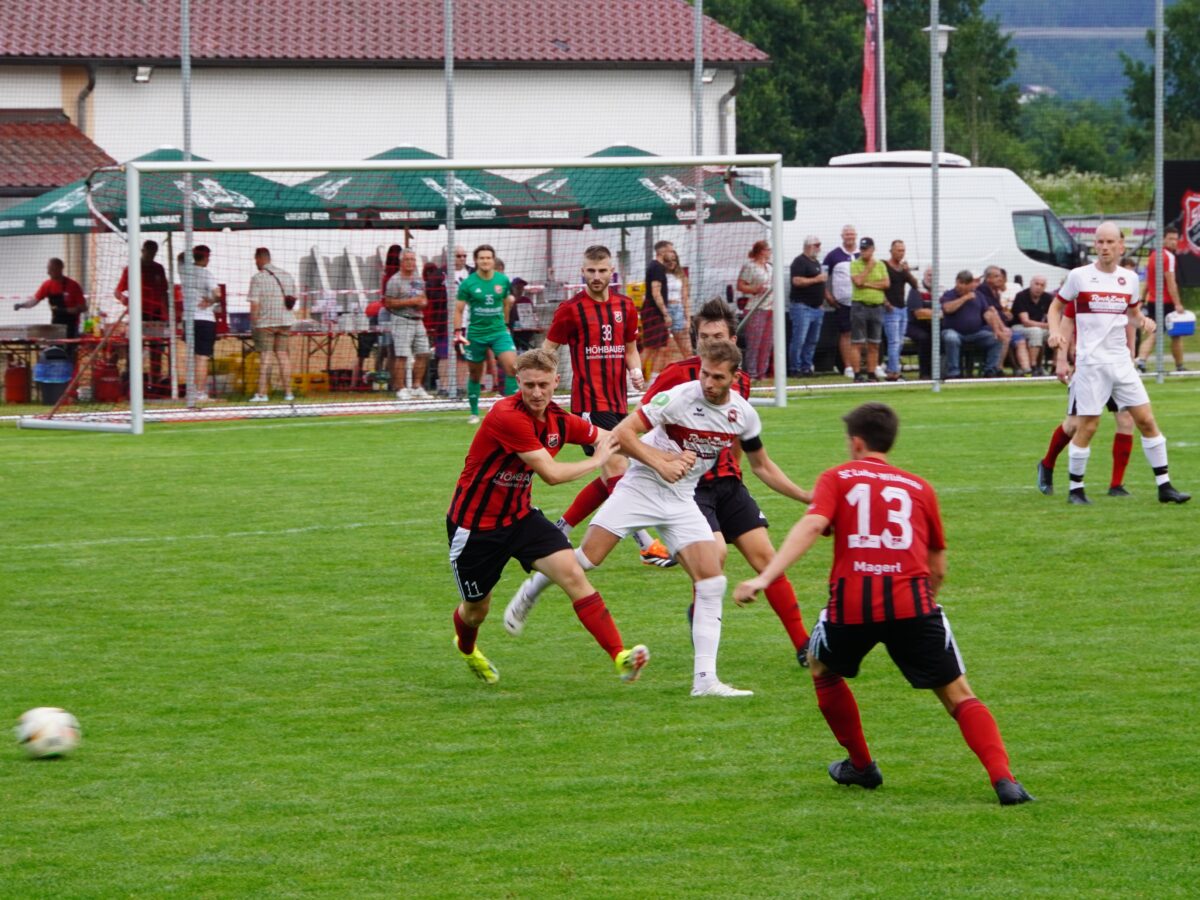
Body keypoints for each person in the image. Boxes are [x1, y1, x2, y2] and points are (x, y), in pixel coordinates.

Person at [734, 402, 1034, 806]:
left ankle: (861, 765)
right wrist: (922, 607)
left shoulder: (837, 478)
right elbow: (938, 567)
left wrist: (764, 577)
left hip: (852, 606)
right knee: (958, 694)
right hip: (913, 605)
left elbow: (812, 524)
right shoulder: (919, 487)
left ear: (856, 442)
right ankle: (1005, 781)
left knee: (822, 667)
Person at [506, 299, 814, 666]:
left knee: (763, 558)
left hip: (726, 484)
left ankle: (802, 647)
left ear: (733, 343)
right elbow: (637, 430)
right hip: (681, 486)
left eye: (718, 338)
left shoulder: (740, 386)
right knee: (709, 559)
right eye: (703, 338)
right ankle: (701, 619)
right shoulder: (677, 380)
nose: (710, 347)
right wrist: (663, 461)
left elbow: (746, 449)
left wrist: (804, 496)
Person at [509, 340, 762, 698]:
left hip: (680, 499)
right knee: (586, 560)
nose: (707, 382)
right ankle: (531, 590)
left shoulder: (744, 414)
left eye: (717, 377)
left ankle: (705, 680)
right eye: (704, 373)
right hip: (640, 486)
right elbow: (622, 433)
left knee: (711, 581)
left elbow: (762, 465)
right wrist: (662, 462)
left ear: (734, 378)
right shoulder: (678, 396)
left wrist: (805, 496)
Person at [447, 348, 649, 686]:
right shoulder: (506, 415)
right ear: (519, 384)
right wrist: (597, 461)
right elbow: (552, 474)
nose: (537, 393)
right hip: (475, 529)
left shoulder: (559, 419)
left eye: (543, 384)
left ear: (557, 381)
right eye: (529, 386)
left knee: (573, 574)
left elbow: (610, 438)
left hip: (520, 518)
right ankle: (467, 648)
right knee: (475, 610)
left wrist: (657, 456)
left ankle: (620, 657)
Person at [542, 244, 671, 567]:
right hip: (588, 404)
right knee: (618, 467)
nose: (597, 277)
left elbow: (629, 347)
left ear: (611, 272)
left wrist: (636, 371)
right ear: (582, 271)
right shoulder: (570, 309)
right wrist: (544, 383)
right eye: (591, 271)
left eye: (602, 271)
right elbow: (548, 349)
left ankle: (561, 528)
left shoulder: (626, 306)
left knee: (607, 476)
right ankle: (646, 543)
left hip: (617, 402)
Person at [1048, 221, 1189, 505]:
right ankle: (1076, 490)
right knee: (1087, 426)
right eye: (1100, 242)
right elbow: (1057, 307)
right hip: (1092, 364)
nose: (1104, 247)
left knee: (1147, 421)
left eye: (1110, 242)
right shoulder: (1079, 276)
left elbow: (1133, 314)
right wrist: (1054, 333)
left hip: (1121, 363)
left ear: (1121, 246)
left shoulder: (1129, 279)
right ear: (1095, 245)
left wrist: (1144, 322)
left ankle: (1165, 487)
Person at [453, 245, 518, 424]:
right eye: (482, 258)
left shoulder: (503, 280)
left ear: (493, 260)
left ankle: (512, 411)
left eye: (488, 258)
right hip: (475, 334)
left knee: (512, 366)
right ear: (476, 261)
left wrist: (505, 324)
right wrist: (458, 332)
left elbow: (506, 303)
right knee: (475, 375)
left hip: (499, 332)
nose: (485, 261)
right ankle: (474, 413)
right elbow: (458, 310)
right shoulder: (468, 283)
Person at [115, 239, 170, 381]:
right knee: (134, 347)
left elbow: (164, 292)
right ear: (143, 250)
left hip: (156, 314)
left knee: (157, 348)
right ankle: (132, 379)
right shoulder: (131, 268)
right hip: (137, 314)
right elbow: (118, 291)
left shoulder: (159, 268)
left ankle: (156, 380)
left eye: (154, 252)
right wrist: (124, 299)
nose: (151, 255)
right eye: (148, 252)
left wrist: (167, 315)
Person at [246, 247, 296, 402]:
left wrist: (253, 323)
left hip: (266, 323)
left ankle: (262, 394)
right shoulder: (287, 276)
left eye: (256, 260)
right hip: (285, 321)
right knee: (282, 355)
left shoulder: (258, 278)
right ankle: (289, 393)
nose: (255, 263)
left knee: (266, 357)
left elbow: (255, 304)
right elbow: (293, 299)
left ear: (259, 258)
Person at [1136, 226, 1187, 373]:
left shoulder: (1153, 255)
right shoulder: (1168, 257)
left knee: (1171, 334)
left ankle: (1179, 366)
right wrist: (1177, 304)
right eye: (1170, 238)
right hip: (1165, 302)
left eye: (1176, 239)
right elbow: (1171, 282)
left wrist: (1143, 298)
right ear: (1163, 239)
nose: (1174, 242)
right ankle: (1142, 361)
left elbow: (1147, 280)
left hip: (1152, 301)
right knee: (1160, 333)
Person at [384, 248, 432, 401]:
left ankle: (417, 386)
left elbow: (424, 298)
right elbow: (388, 302)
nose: (411, 262)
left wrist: (422, 303)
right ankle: (401, 388)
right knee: (402, 355)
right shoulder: (394, 280)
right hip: (401, 319)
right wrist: (410, 302)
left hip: (418, 320)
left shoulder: (418, 279)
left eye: (413, 259)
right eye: (407, 260)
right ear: (401, 262)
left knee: (423, 352)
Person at [939, 270, 1001, 378]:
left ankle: (990, 371)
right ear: (957, 282)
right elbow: (947, 309)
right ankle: (954, 373)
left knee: (996, 339)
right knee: (951, 338)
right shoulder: (949, 294)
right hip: (954, 331)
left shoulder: (979, 295)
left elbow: (987, 313)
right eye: (961, 283)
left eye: (966, 284)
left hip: (975, 333)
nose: (963, 287)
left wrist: (996, 330)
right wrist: (965, 298)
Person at [180, 245, 221, 401]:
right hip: (204, 319)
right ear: (205, 258)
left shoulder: (184, 270)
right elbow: (218, 294)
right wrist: (211, 300)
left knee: (191, 356)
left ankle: (190, 391)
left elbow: (179, 257)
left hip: (188, 319)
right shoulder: (206, 274)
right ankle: (201, 393)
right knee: (202, 357)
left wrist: (189, 251)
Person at [15, 257, 86, 341]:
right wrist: (21, 305)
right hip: (56, 325)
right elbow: (34, 301)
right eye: (48, 269)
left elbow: (83, 307)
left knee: (69, 351)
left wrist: (67, 310)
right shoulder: (47, 285)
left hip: (71, 326)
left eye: (51, 269)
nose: (48, 272)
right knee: (54, 350)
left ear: (60, 269)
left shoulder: (73, 286)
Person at [848, 237, 889, 382]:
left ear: (873, 249)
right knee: (857, 342)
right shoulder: (855, 264)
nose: (863, 252)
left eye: (866, 249)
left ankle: (872, 373)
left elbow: (885, 284)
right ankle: (858, 374)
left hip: (877, 306)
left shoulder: (881, 265)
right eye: (862, 249)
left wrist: (868, 284)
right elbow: (858, 282)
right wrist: (868, 268)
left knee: (874, 343)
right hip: (860, 306)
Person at [788, 236, 826, 376]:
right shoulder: (799, 262)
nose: (819, 248)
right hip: (802, 307)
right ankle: (795, 368)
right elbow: (796, 281)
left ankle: (806, 366)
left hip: (816, 308)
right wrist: (817, 279)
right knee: (799, 339)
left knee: (812, 340)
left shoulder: (816, 262)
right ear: (808, 246)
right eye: (816, 245)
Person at [822, 225, 858, 378]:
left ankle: (863, 366)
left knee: (862, 334)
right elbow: (823, 279)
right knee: (846, 333)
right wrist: (827, 295)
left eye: (851, 234)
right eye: (846, 234)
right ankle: (848, 366)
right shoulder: (833, 256)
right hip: (843, 303)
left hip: (861, 302)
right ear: (842, 236)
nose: (849, 237)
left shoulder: (862, 254)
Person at [881, 241, 918, 381]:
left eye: (903, 250)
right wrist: (885, 302)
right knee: (894, 341)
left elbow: (915, 285)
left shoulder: (902, 269)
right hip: (891, 308)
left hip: (902, 308)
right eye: (898, 250)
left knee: (900, 341)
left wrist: (907, 271)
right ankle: (893, 371)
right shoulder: (884, 265)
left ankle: (893, 367)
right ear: (891, 251)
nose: (901, 253)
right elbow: (881, 286)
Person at [737, 240, 773, 380]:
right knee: (754, 342)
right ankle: (751, 373)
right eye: (768, 249)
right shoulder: (750, 266)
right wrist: (755, 289)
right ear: (761, 251)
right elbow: (740, 286)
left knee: (767, 342)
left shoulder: (770, 267)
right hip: (756, 307)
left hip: (771, 307)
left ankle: (762, 373)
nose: (770, 252)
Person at [641, 240, 673, 380]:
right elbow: (655, 292)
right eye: (670, 251)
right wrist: (666, 314)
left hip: (654, 312)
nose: (672, 254)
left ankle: (653, 382)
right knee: (650, 348)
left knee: (661, 348)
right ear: (662, 251)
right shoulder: (657, 267)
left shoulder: (657, 267)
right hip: (653, 313)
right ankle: (631, 382)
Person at [976, 266, 1017, 374]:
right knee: (1005, 335)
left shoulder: (995, 292)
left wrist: (1005, 314)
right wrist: (1002, 328)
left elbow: (997, 310)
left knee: (1016, 337)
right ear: (988, 278)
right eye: (997, 276)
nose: (1000, 279)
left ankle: (1019, 368)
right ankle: (997, 367)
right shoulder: (983, 290)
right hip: (985, 325)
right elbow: (990, 311)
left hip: (1001, 324)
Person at [1011, 275, 1052, 373]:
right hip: (1018, 326)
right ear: (1031, 284)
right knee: (1036, 331)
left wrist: (1053, 326)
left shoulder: (1047, 297)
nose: (1039, 287)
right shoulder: (1021, 296)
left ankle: (1056, 366)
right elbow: (1025, 321)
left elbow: (1050, 317)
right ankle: (1033, 366)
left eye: (1042, 285)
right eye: (1036, 284)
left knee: (1058, 334)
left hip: (1039, 327)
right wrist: (1046, 325)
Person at [663, 248, 692, 360]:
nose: (671, 263)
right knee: (667, 348)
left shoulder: (681, 276)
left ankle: (691, 371)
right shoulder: (660, 276)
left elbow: (685, 298)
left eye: (674, 260)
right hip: (665, 311)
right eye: (668, 260)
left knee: (686, 347)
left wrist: (688, 319)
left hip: (678, 310)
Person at [905, 268, 934, 379]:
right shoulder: (916, 289)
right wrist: (936, 313)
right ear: (924, 276)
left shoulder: (941, 290)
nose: (931, 278)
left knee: (944, 335)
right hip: (914, 325)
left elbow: (945, 307)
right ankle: (925, 373)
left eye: (933, 275)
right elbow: (918, 312)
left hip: (933, 325)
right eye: (929, 275)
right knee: (924, 338)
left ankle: (942, 371)